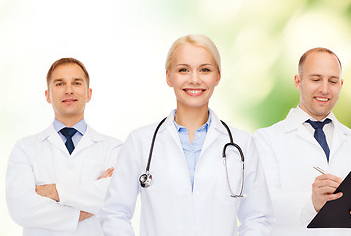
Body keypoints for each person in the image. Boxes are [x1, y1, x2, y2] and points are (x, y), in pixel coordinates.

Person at [98, 34, 273, 236]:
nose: (194, 79)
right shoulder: (140, 142)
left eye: (205, 70)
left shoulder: (242, 144)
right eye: (183, 70)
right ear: (168, 77)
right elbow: (114, 213)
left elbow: (258, 217)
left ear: (217, 76)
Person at [253, 47, 351, 236]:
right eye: (316, 79)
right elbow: (260, 204)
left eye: (332, 81)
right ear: (298, 81)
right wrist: (311, 203)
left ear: (340, 85)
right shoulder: (266, 140)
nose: (324, 89)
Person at [6, 58, 122, 236]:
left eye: (76, 83)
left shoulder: (113, 148)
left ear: (89, 93)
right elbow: (21, 208)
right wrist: (88, 207)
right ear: (47, 95)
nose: (69, 90)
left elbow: (116, 196)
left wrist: (52, 191)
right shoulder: (25, 149)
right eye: (60, 84)